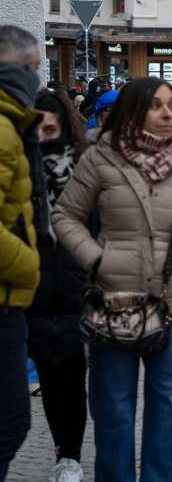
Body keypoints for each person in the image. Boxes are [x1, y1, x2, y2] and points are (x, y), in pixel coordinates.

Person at [52, 77, 172, 481]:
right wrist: (97, 260)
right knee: (113, 406)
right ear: (133, 111)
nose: (168, 113)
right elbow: (65, 215)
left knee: (168, 406)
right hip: (113, 299)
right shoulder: (100, 158)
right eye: (156, 105)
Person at [26, 88, 89, 482]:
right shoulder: (19, 168)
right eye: (38, 131)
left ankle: (71, 454)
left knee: (71, 375)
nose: (45, 138)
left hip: (76, 285)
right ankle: (62, 450)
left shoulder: (85, 169)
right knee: (49, 377)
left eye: (51, 129)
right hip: (33, 287)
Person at [0, 24, 45, 482]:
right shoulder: (3, 127)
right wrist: (33, 264)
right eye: (33, 70)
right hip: (4, 296)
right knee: (10, 422)